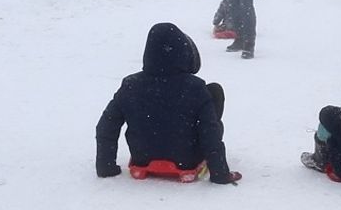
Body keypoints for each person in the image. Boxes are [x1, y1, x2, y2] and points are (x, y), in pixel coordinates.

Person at [95, 22, 242, 184]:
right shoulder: (195, 88)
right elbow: (210, 132)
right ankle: (193, 155)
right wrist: (220, 173)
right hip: (187, 158)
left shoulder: (131, 85)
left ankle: (153, 150)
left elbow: (106, 126)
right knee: (214, 92)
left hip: (142, 156)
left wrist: (105, 166)